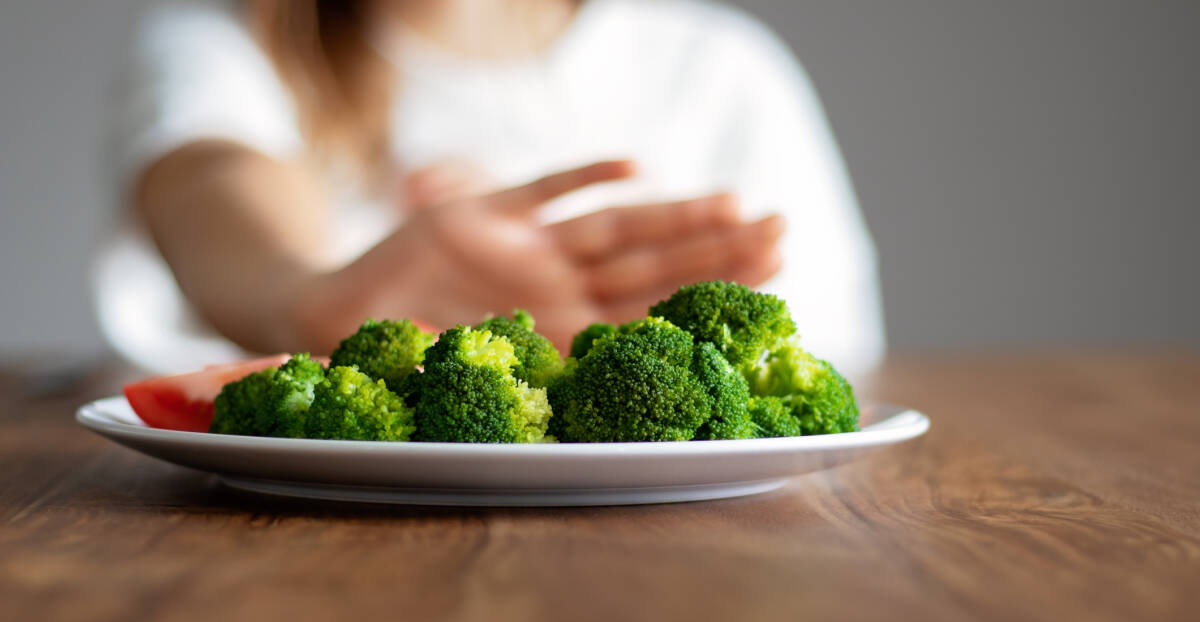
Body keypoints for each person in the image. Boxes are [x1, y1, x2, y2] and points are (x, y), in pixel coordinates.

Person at [96, 0, 885, 376]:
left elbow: (829, 354)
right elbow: (208, 177)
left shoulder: (718, 65)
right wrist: (304, 298)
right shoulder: (229, 36)